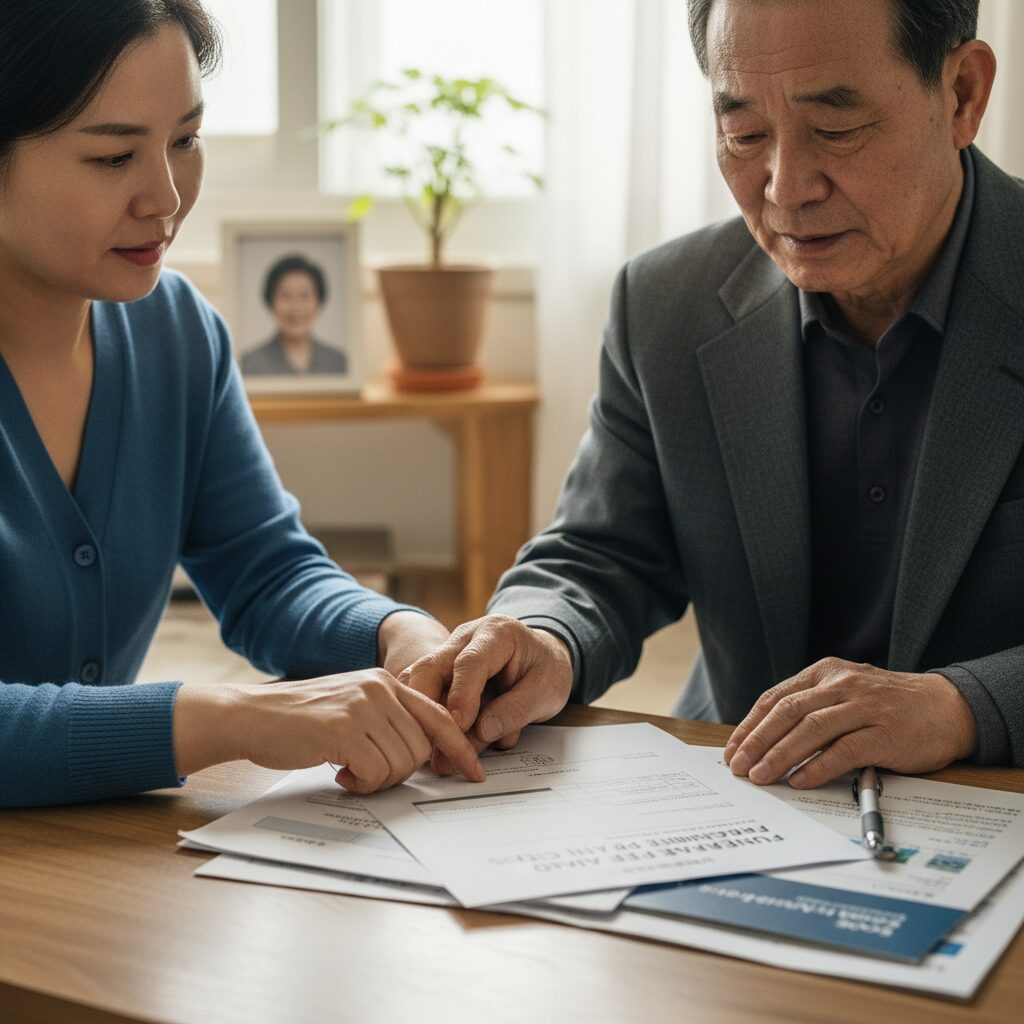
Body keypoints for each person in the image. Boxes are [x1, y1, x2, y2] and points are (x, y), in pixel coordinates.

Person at [404, 0, 1024, 785]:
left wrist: (963, 705)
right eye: (744, 134)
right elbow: (604, 554)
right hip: (744, 800)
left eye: (835, 128)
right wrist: (542, 633)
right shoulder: (667, 304)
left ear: (964, 94)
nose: (786, 188)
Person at [0, 0, 484, 809]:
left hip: (90, 861)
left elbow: (266, 573)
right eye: (115, 157)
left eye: (185, 140)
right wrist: (226, 717)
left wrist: (396, 633)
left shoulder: (178, 332)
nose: (165, 196)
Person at [241, 254, 349, 376]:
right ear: (271, 302)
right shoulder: (250, 364)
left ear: (319, 301)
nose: (296, 306)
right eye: (286, 296)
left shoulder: (338, 362)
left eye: (304, 296)